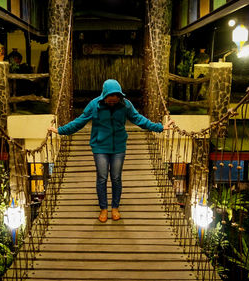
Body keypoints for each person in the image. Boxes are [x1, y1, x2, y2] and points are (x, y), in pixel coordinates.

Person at [48, 79, 174, 223]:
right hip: (99, 147)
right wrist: (60, 130)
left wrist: (160, 127)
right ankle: (103, 208)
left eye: (115, 101)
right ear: (104, 96)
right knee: (102, 177)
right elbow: (79, 122)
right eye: (110, 101)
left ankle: (115, 207)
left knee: (116, 177)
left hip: (118, 147)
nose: (112, 103)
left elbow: (139, 119)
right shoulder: (94, 105)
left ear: (120, 97)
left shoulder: (126, 105)